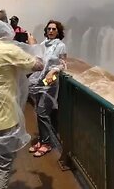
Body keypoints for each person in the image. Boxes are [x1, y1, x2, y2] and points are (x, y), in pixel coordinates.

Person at [0, 20, 43, 189]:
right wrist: (34, 46)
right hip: (3, 119)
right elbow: (38, 65)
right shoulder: (8, 50)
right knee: (2, 167)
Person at [28, 20, 67, 157]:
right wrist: (32, 45)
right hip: (39, 82)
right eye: (49, 29)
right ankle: (42, 139)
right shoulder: (44, 44)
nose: (51, 31)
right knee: (39, 112)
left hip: (50, 83)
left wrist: (53, 70)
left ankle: (47, 143)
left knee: (42, 112)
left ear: (58, 32)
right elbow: (38, 60)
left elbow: (63, 64)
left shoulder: (61, 46)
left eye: (54, 29)